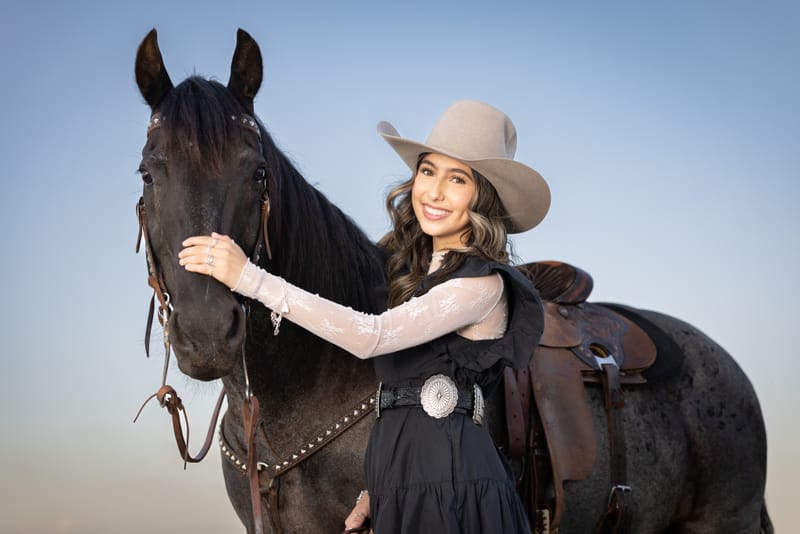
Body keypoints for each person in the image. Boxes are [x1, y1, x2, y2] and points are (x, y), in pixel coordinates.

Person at [179, 99, 550, 533]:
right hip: (406, 482)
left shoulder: (481, 286)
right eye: (428, 171)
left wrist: (251, 280)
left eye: (457, 179)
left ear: (482, 197)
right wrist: (379, 486)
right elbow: (405, 401)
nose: (434, 191)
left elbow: (371, 336)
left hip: (456, 487)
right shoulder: (422, 279)